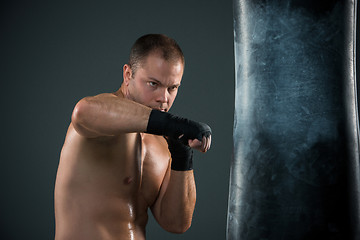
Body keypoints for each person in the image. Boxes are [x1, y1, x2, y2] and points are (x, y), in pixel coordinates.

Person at [54, 34, 212, 240]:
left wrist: (182, 155)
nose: (164, 98)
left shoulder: (163, 144)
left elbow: (175, 223)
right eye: (153, 84)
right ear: (128, 74)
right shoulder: (99, 119)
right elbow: (82, 112)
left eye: (172, 88)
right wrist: (172, 124)